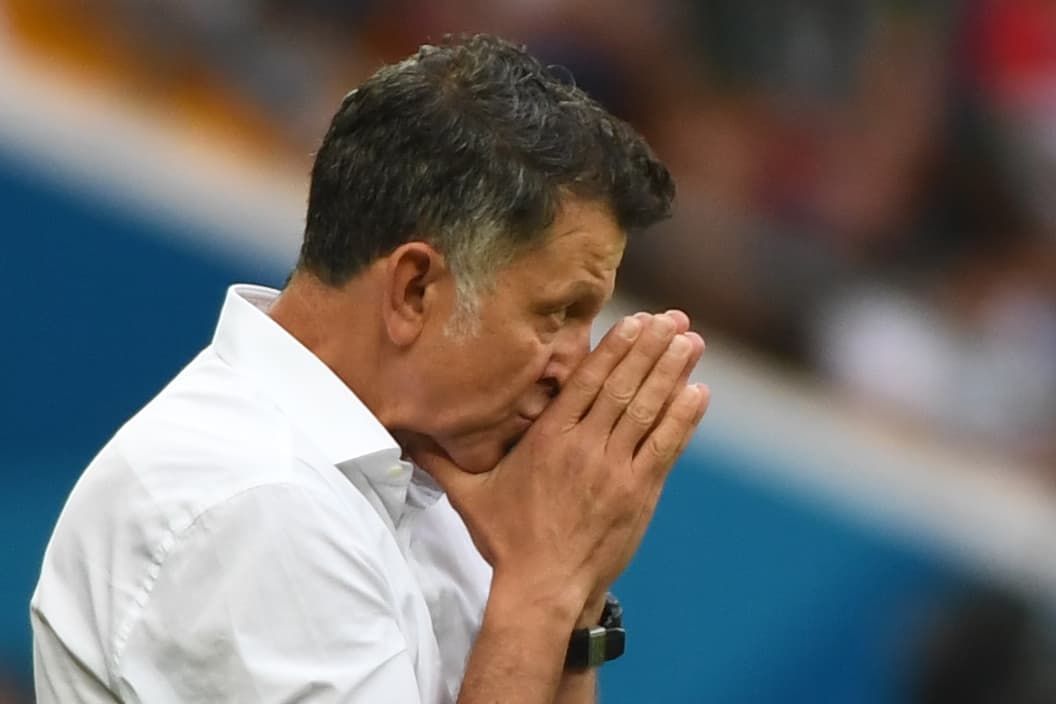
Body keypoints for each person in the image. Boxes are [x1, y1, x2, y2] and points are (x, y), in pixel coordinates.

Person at [30, 34, 709, 703]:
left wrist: (575, 592)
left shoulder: (431, 487)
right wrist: (544, 589)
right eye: (557, 312)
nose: (575, 364)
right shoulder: (253, 501)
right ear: (415, 290)